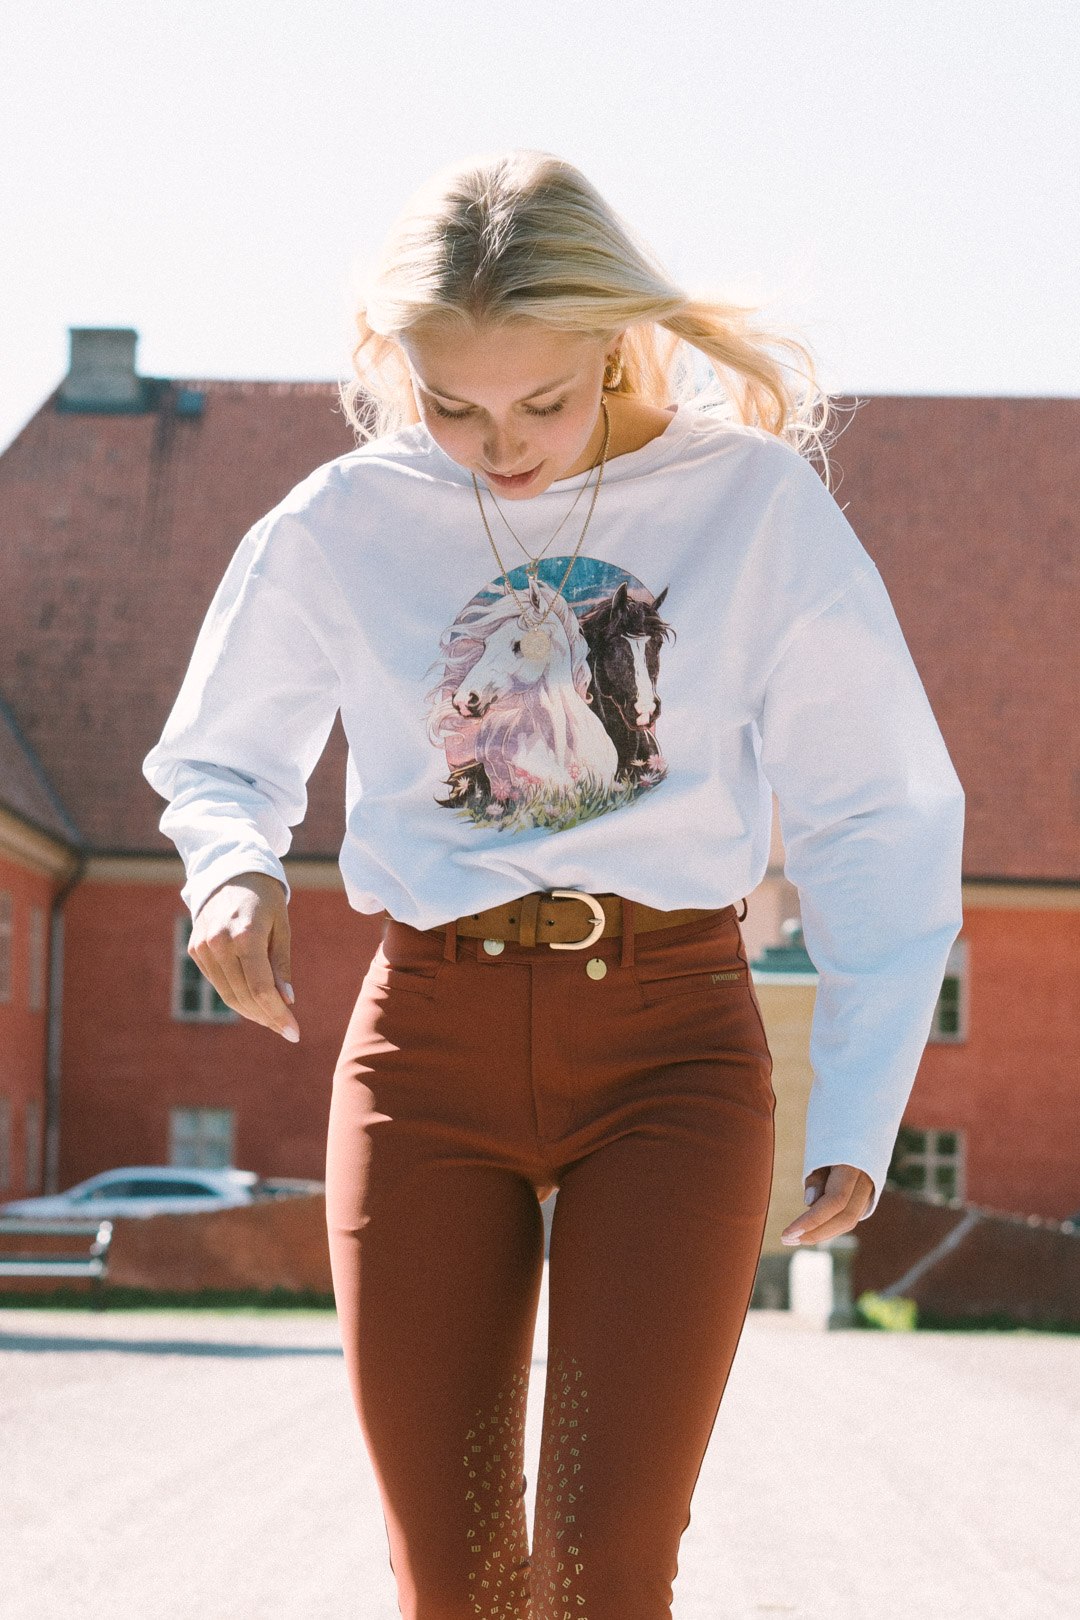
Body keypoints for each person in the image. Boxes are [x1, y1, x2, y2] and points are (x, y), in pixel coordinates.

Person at [143, 150, 964, 1620]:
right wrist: (233, 869)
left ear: (612, 342)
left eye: (541, 401)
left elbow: (878, 809)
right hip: (424, 1054)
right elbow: (219, 757)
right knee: (450, 1581)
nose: (498, 446)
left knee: (601, 1576)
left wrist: (859, 1097)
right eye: (451, 405)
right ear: (398, 363)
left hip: (671, 1051)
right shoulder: (344, 517)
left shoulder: (751, 506)